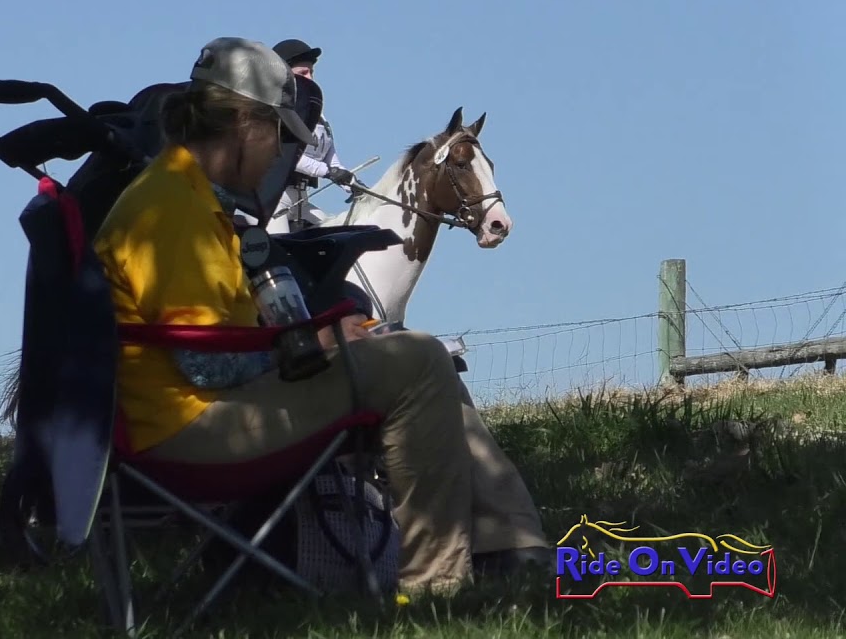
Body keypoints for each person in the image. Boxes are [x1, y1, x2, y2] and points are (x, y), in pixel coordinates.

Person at [91, 36, 548, 598]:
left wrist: (326, 336)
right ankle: (440, 588)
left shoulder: (182, 193)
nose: (278, 156)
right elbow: (209, 368)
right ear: (246, 126)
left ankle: (511, 552)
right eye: (281, 136)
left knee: (408, 355)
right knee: (419, 359)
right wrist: (319, 339)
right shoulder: (173, 210)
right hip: (189, 430)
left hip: (187, 417)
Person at [268, 38, 355, 234]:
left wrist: (354, 185)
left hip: (301, 201)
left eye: (311, 72)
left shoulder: (319, 117)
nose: (311, 78)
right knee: (274, 260)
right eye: (303, 73)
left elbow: (331, 160)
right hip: (271, 204)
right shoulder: (270, 112)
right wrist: (327, 172)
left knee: (341, 235)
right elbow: (288, 155)